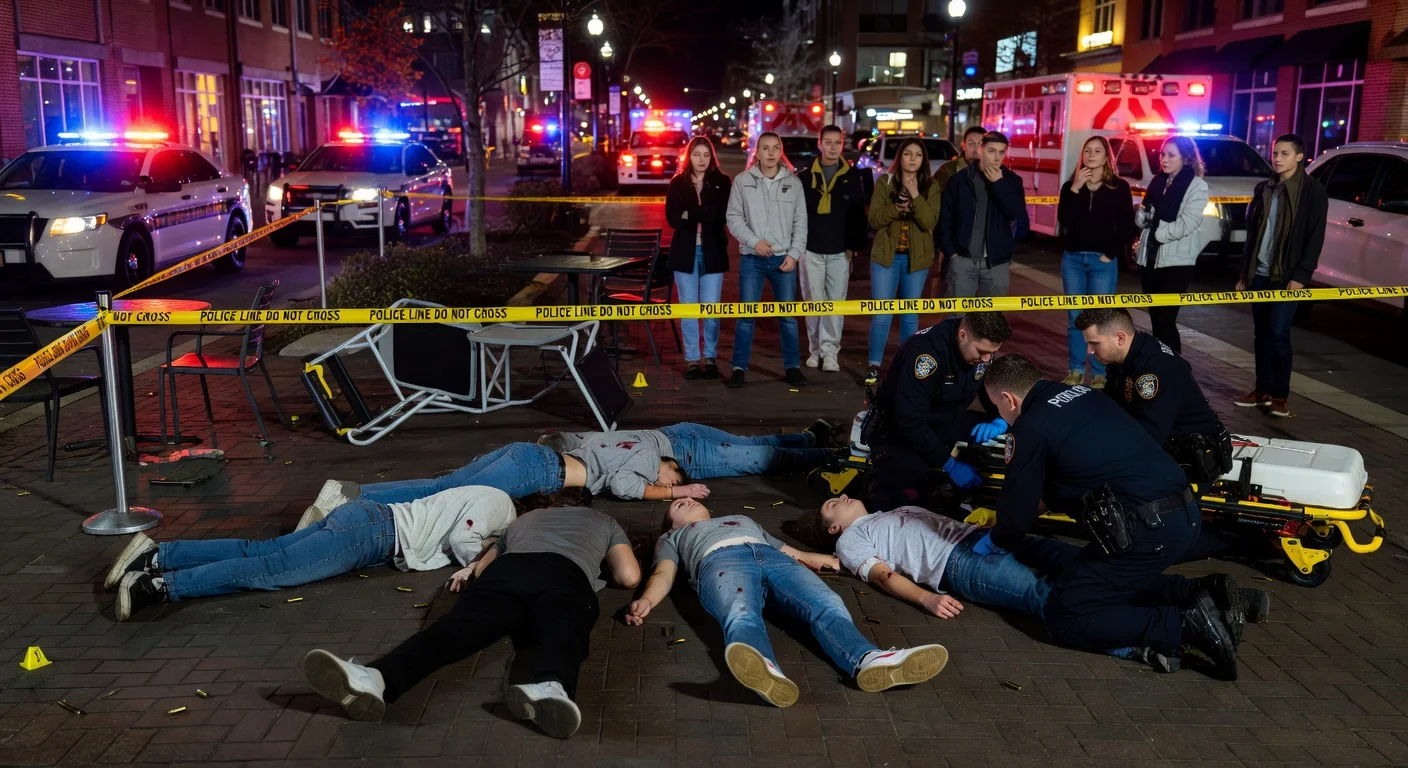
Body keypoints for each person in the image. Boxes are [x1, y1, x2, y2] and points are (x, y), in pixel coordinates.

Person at [980, 352, 1246, 679]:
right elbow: (1066, 478)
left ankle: (1182, 625)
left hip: (1147, 530)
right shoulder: (1084, 395)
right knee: (1100, 581)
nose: (1000, 414)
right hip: (1183, 513)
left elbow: (1017, 512)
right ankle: (1200, 592)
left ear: (1008, 398)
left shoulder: (1031, 427)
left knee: (1066, 615)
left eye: (996, 406)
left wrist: (997, 538)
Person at [302, 505, 640, 737]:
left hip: (510, 571)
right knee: (563, 631)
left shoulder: (524, 520)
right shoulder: (603, 520)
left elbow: (481, 569)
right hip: (566, 574)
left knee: (454, 631)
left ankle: (375, 677)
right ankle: (552, 685)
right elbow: (628, 576)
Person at [624, 497, 948, 706]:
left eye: (690, 499)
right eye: (677, 505)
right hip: (720, 563)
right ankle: (764, 669)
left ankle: (867, 659)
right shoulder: (674, 538)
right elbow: (664, 574)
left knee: (826, 600)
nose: (686, 500)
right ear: (671, 523)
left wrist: (824, 559)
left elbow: (787, 551)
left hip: (771, 558)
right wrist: (647, 601)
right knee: (740, 614)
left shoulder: (742, 518)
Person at [106, 486, 516, 621]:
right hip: (373, 534)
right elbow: (466, 540)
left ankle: (158, 556)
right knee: (270, 569)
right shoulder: (504, 506)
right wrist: (483, 560)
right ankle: (158, 587)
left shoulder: (494, 500)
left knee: (262, 551)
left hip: (367, 521)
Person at [864, 312, 1011, 513]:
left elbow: (990, 391)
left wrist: (999, 418)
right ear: (962, 335)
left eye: (991, 353)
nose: (986, 359)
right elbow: (910, 422)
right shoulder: (925, 354)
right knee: (910, 479)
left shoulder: (979, 353)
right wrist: (949, 464)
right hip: (898, 430)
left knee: (1012, 434)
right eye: (982, 351)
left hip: (943, 419)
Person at [1233, 133, 1328, 418]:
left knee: (1278, 332)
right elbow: (1252, 236)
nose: (1277, 158)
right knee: (1261, 333)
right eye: (1275, 153)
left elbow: (1315, 238)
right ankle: (1261, 389)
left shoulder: (1312, 191)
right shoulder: (1265, 188)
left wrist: (1301, 276)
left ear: (1300, 157)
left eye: (1284, 153)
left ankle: (1279, 394)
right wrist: (1244, 274)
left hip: (1286, 276)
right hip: (1260, 273)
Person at [726, 131, 809, 389]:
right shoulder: (742, 181)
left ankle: (792, 368)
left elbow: (801, 223)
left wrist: (794, 254)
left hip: (784, 260)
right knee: (746, 316)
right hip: (752, 259)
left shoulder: (793, 183)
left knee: (788, 318)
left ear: (780, 151)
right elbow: (734, 218)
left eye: (775, 148)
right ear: (757, 152)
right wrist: (754, 242)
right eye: (765, 148)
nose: (771, 153)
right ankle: (739, 368)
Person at [1058, 136, 1135, 388]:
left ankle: (1100, 372)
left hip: (1102, 262)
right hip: (1073, 261)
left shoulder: (1119, 187)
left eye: (1097, 151)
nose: (1091, 155)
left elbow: (1126, 226)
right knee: (1075, 317)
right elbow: (1065, 220)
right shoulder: (1071, 185)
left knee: (1099, 318)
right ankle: (1076, 369)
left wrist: (1109, 254)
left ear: (1106, 157)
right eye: (1087, 150)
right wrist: (1075, 189)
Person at [865, 137, 942, 385]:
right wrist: (895, 209)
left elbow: (929, 221)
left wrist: (916, 195)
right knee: (882, 314)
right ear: (900, 157)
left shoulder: (931, 186)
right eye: (908, 154)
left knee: (910, 315)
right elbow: (875, 220)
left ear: (923, 160)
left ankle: (906, 364)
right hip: (886, 257)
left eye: (918, 155)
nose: (912, 159)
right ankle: (874, 365)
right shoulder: (885, 183)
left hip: (916, 261)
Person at [540, 419, 837, 481]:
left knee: (753, 448)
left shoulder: (584, 450)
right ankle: (826, 452)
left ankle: (812, 441)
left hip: (679, 439)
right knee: (758, 454)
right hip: (681, 446)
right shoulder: (585, 450)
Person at [801, 125, 868, 372]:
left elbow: (859, 216)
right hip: (811, 250)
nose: (832, 147)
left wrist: (853, 247)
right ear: (819, 144)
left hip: (840, 251)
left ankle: (830, 353)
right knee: (812, 302)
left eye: (836, 143)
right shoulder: (806, 177)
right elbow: (799, 215)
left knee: (835, 304)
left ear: (842, 145)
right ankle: (814, 349)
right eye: (827, 142)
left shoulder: (853, 177)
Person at [1135, 135, 1210, 354]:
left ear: (1185, 158)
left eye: (1171, 155)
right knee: (1157, 320)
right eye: (1162, 154)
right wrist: (1143, 217)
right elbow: (1143, 214)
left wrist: (1159, 232)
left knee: (1166, 320)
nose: (1164, 159)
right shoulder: (1158, 181)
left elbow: (1188, 222)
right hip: (1150, 259)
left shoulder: (1197, 186)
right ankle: (1162, 368)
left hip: (1176, 262)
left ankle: (1176, 370)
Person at [666, 136, 732, 380]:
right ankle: (693, 359)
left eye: (706, 155)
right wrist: (704, 213)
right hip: (685, 253)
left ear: (711, 157)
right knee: (689, 308)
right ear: (688, 156)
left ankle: (711, 357)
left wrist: (689, 213)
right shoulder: (677, 183)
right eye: (696, 154)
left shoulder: (722, 182)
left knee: (712, 308)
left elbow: (721, 215)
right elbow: (672, 219)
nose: (701, 159)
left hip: (712, 251)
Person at [938, 131, 1029, 298]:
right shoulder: (959, 180)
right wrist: (952, 253)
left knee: (991, 320)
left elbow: (1016, 213)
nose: (997, 157)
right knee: (957, 318)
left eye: (1001, 152)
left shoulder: (1011, 181)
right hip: (963, 260)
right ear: (980, 150)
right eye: (991, 151)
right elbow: (944, 219)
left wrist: (999, 184)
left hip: (996, 263)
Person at [927, 125, 985, 298]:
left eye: (980, 143)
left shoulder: (993, 172)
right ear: (963, 145)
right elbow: (934, 205)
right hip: (954, 245)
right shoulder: (948, 171)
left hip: (983, 247)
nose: (975, 148)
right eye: (971, 143)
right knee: (953, 294)